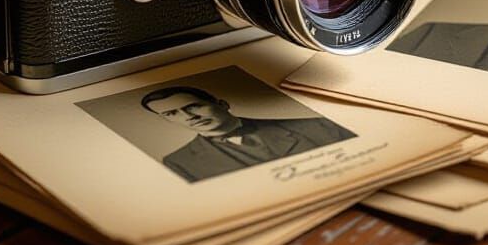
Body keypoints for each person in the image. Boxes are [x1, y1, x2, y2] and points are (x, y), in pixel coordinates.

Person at [141, 85, 357, 182]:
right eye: (172, 113)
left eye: (193, 106)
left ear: (222, 104)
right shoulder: (180, 163)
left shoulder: (317, 125)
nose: (189, 116)